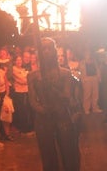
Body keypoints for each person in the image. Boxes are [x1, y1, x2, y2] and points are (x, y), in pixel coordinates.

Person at [28, 37, 80, 171]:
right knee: (48, 156)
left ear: (55, 51)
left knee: (69, 154)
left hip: (62, 117)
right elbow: (32, 101)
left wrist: (52, 87)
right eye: (43, 49)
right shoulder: (33, 76)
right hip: (43, 119)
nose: (46, 52)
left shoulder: (65, 73)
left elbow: (67, 97)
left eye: (49, 48)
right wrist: (43, 110)